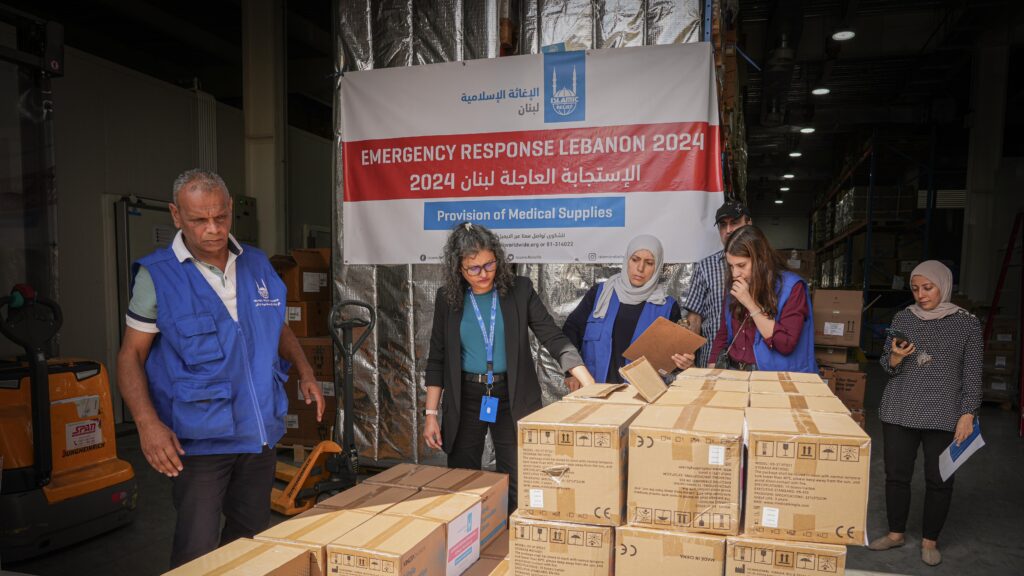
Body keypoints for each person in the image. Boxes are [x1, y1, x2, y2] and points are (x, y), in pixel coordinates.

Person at [116, 169, 324, 568]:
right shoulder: (157, 276)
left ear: (230, 210)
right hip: (199, 440)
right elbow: (131, 356)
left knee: (248, 540)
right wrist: (146, 423)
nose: (212, 229)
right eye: (198, 220)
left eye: (220, 217)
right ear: (176, 216)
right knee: (197, 550)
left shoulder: (258, 264)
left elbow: (276, 325)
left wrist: (306, 371)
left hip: (259, 432)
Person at [423, 222, 596, 513]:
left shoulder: (519, 291)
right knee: (463, 476)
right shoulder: (447, 299)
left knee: (516, 473)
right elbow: (437, 357)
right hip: (466, 395)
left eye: (489, 265)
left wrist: (587, 381)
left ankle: (512, 540)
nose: (483, 274)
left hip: (512, 395)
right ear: (458, 269)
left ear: (499, 260)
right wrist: (430, 414)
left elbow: (552, 336)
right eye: (473, 268)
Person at [868, 261, 982, 567]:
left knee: (940, 479)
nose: (921, 295)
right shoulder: (903, 317)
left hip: (945, 413)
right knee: (896, 476)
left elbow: (972, 373)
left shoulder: (967, 324)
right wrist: (895, 355)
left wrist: (968, 412)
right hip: (899, 408)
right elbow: (886, 367)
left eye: (927, 288)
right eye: (915, 289)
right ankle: (895, 534)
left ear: (943, 285)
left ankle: (930, 540)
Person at [562, 234, 692, 384]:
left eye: (649, 263)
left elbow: (671, 359)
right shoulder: (600, 294)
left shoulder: (667, 307)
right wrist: (571, 373)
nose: (640, 268)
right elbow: (569, 332)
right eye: (635, 260)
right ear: (626, 260)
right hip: (594, 390)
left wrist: (682, 363)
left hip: (642, 396)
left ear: (657, 268)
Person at [707, 225, 816, 372]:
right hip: (734, 372)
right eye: (731, 266)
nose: (735, 274)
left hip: (771, 377)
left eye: (741, 265)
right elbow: (723, 333)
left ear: (761, 259)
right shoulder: (734, 285)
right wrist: (712, 369)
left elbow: (786, 345)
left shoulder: (793, 288)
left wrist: (750, 304)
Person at [683, 200, 752, 367]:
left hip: (752, 362)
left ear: (749, 224)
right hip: (712, 361)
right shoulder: (706, 267)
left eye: (735, 223)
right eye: (723, 225)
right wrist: (689, 358)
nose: (728, 230)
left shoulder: (762, 265)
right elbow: (694, 317)